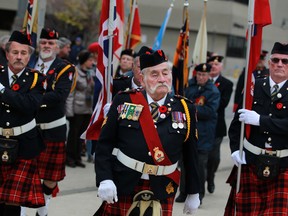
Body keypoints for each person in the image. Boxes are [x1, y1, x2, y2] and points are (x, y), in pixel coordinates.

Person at [94, 49, 201, 215]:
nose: (162, 79)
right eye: (154, 74)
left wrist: (193, 192)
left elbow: (191, 155)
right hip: (124, 182)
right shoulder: (124, 100)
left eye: (165, 73)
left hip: (163, 186)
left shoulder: (185, 108)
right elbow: (104, 145)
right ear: (142, 79)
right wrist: (104, 178)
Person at [225, 42, 288, 215]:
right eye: (275, 60)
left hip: (283, 165)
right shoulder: (254, 87)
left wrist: (261, 120)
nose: (280, 64)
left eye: (285, 61)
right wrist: (234, 150)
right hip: (251, 161)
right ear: (269, 63)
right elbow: (237, 124)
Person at [27, 28, 76, 216]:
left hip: (52, 128)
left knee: (50, 176)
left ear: (57, 47)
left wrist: (26, 98)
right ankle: (23, 210)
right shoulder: (28, 62)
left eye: (51, 43)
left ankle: (43, 207)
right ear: (38, 45)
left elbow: (59, 96)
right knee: (26, 172)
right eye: (43, 42)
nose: (46, 46)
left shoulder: (65, 68)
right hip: (28, 127)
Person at [0, 31, 46, 216]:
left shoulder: (37, 79)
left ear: (29, 56)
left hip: (24, 144)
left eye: (24, 53)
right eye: (15, 52)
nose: (19, 57)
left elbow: (29, 105)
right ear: (7, 54)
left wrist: (2, 91)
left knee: (13, 202)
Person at [176, 63, 220, 204]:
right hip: (187, 132)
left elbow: (209, 111)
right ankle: (183, 192)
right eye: (199, 74)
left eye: (204, 75)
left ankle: (199, 194)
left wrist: (190, 108)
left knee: (200, 166)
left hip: (204, 134)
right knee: (184, 163)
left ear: (208, 76)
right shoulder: (189, 85)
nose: (201, 77)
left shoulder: (213, 91)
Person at [206, 55, 233, 194]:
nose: (214, 66)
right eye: (211, 63)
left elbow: (223, 103)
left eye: (217, 64)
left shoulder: (226, 84)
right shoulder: (200, 81)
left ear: (221, 67)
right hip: (201, 125)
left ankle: (210, 177)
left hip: (217, 125)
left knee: (213, 157)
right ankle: (201, 178)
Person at [66, 50, 95, 167]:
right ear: (84, 61)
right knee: (73, 135)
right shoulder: (75, 72)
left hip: (87, 109)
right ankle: (69, 158)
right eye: (90, 60)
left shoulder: (91, 73)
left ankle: (78, 157)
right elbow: (70, 92)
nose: (92, 63)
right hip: (77, 109)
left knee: (82, 135)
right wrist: (69, 111)